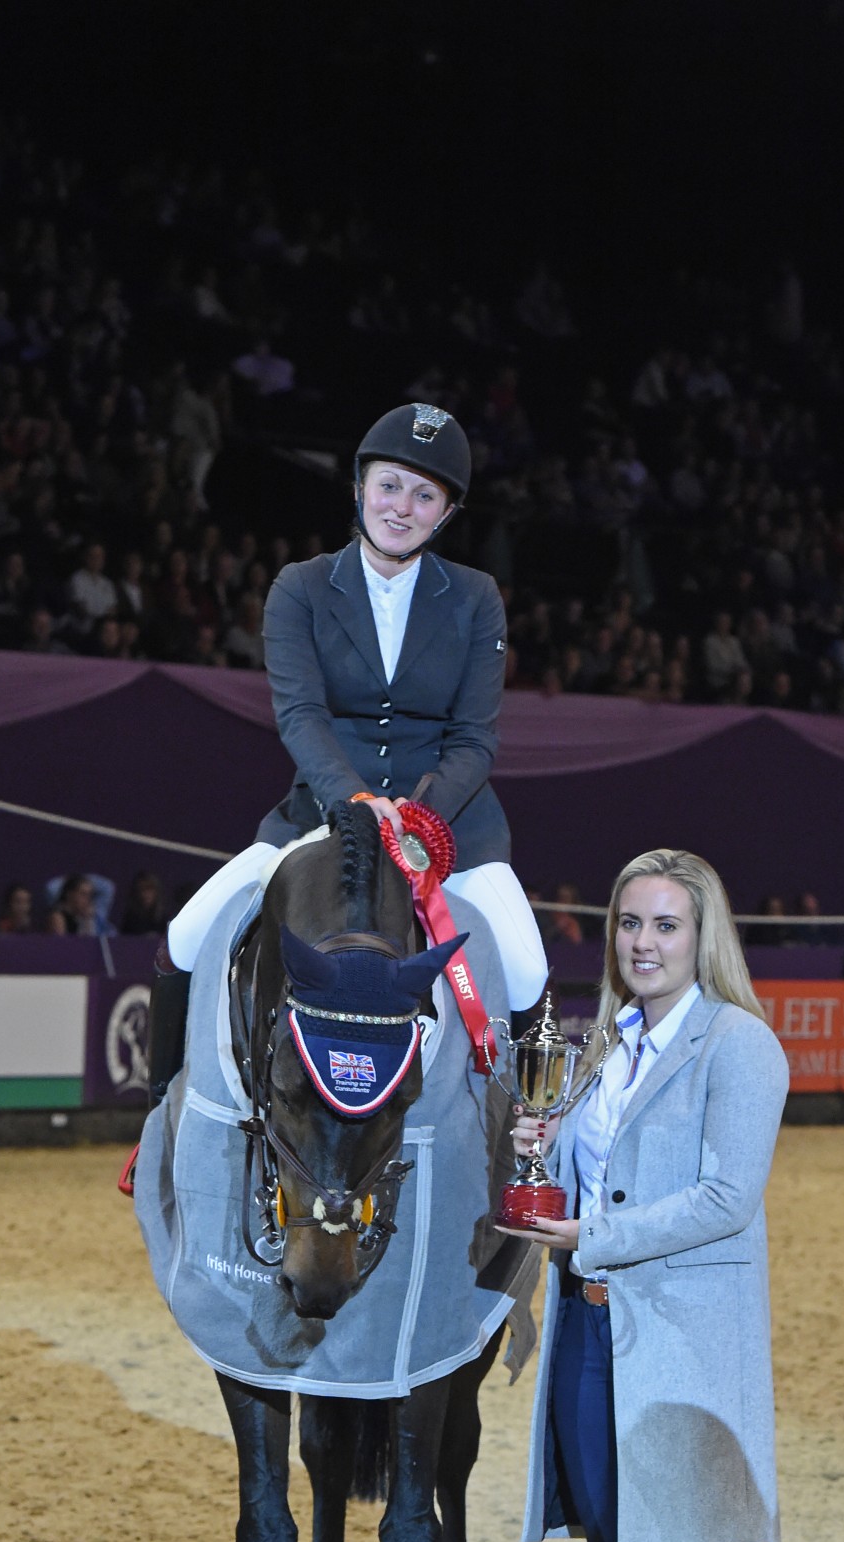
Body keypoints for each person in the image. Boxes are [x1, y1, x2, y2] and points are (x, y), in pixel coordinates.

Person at [510, 849, 789, 1542]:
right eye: (629, 922)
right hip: (590, 1335)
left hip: (680, 1340)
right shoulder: (597, 1050)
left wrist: (593, 1230)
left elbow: (727, 1196)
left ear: (702, 934)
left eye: (665, 925)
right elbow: (585, 1175)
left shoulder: (739, 1045)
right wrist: (539, 1152)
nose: (642, 942)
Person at [148, 402, 549, 1103]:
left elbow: (475, 737)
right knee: (184, 938)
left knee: (525, 968)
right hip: (322, 813)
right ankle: (159, 1118)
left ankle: (525, 1143)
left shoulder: (476, 598)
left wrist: (416, 817)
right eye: (390, 485)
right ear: (360, 486)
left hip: (450, 831)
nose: (402, 507)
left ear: (446, 513)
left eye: (425, 495)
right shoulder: (299, 588)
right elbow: (299, 715)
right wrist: (359, 803)